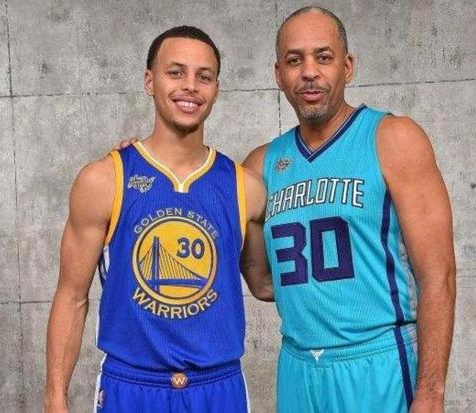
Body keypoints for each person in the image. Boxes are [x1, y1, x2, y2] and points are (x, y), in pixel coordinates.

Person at [116, 7, 456, 413]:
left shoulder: (393, 138)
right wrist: (142, 162)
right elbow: (261, 282)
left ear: (347, 67)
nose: (309, 72)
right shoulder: (261, 165)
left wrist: (431, 392)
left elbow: (437, 275)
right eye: (294, 60)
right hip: (298, 365)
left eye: (323, 57)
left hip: (377, 359)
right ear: (278, 75)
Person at [44, 25, 272, 413]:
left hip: (218, 389)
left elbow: (266, 285)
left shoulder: (246, 187)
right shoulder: (104, 179)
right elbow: (72, 295)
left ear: (217, 89)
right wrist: (55, 398)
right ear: (150, 81)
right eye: (175, 72)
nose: (190, 86)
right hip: (131, 387)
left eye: (204, 76)